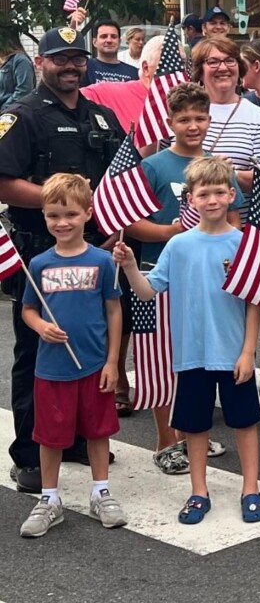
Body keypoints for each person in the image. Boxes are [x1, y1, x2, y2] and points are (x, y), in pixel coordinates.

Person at [0, 25, 124, 494]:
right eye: (60, 59)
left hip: (96, 254)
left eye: (77, 58)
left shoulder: (103, 117)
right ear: (41, 63)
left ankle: (76, 439)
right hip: (41, 252)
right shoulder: (23, 116)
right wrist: (63, 200)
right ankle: (30, 454)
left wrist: (111, 229)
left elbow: (118, 187)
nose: (71, 66)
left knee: (88, 349)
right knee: (37, 352)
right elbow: (3, 180)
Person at [116, 156, 260, 526]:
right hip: (191, 355)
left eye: (219, 192)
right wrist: (131, 266)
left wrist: (249, 351)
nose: (212, 200)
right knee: (195, 426)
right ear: (191, 199)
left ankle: (251, 488)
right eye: (204, 193)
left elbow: (252, 304)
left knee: (244, 423)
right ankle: (199, 491)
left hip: (233, 354)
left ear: (232, 195)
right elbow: (149, 291)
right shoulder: (179, 246)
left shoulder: (245, 243)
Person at [125, 83, 245, 475]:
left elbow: (235, 221)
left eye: (199, 118)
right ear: (169, 122)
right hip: (157, 271)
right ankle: (165, 438)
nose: (192, 126)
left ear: (210, 120)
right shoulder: (154, 166)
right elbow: (133, 222)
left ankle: (192, 428)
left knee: (199, 355)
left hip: (208, 278)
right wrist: (172, 232)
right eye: (184, 119)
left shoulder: (216, 167)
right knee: (162, 360)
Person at [17, 174, 126, 538]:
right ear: (44, 217)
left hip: (94, 365)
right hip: (51, 368)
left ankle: (101, 491)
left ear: (88, 214)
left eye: (70, 214)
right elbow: (27, 310)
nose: (62, 223)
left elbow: (114, 311)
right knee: (50, 437)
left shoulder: (102, 261)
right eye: (53, 215)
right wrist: (40, 326)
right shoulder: (39, 264)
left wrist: (113, 361)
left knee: (98, 432)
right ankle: (49, 498)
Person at [192, 37, 260, 203]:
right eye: (213, 62)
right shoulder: (186, 114)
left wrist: (230, 174)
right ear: (200, 70)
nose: (223, 67)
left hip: (241, 225)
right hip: (191, 222)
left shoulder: (257, 116)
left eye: (230, 61)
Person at [81, 34, 174, 144]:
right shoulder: (109, 92)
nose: (179, 71)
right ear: (145, 68)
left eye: (182, 62)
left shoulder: (192, 98)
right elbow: (67, 100)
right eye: (169, 64)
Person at [83, 20, 137, 85]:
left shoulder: (134, 73)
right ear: (94, 42)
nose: (109, 40)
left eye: (113, 37)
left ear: (119, 41)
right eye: (104, 36)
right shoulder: (85, 68)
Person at [0, 32, 35, 110]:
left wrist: (4, 109)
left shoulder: (20, 60)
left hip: (13, 112)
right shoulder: (4, 60)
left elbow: (24, 90)